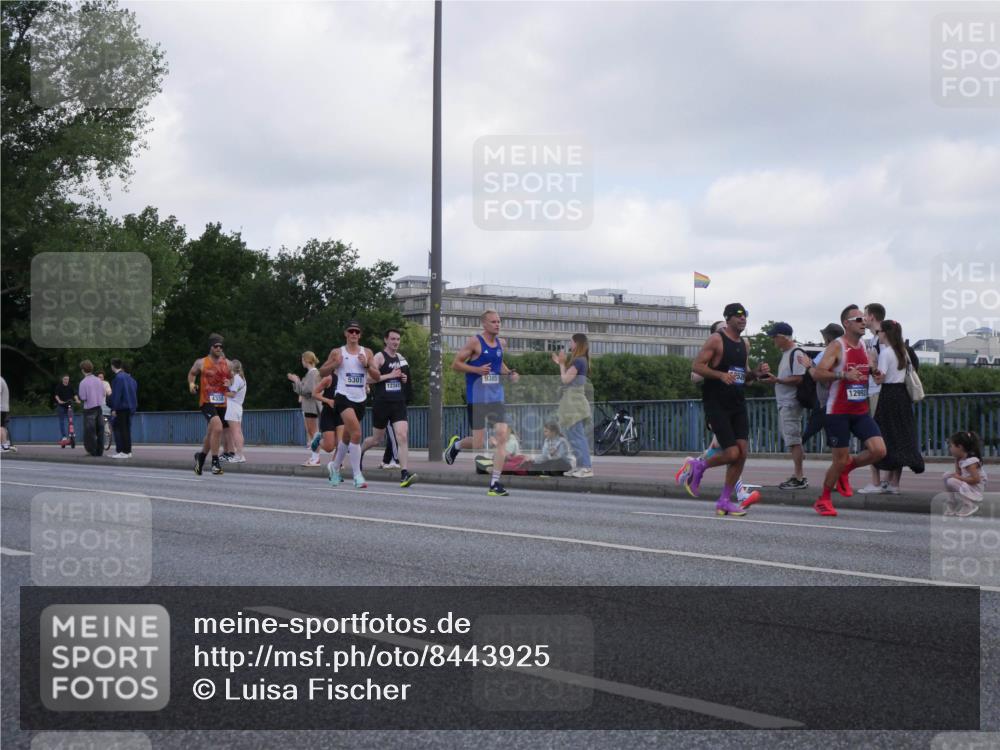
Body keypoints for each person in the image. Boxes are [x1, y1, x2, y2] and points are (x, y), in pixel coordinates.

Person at [683, 303, 772, 516]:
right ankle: (699, 466)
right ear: (728, 318)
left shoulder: (745, 344)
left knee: (742, 454)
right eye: (738, 315)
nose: (743, 319)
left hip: (737, 403)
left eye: (745, 315)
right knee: (731, 453)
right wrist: (720, 375)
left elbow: (744, 375)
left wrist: (757, 374)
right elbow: (697, 366)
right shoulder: (716, 339)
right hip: (717, 403)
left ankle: (724, 501)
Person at [809, 305, 888, 516]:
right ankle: (823, 499)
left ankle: (847, 469)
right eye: (858, 319)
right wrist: (842, 376)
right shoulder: (837, 346)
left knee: (879, 450)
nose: (864, 322)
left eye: (864, 319)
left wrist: (874, 373)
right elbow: (817, 374)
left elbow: (864, 371)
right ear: (847, 323)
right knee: (839, 459)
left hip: (860, 409)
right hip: (838, 412)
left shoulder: (863, 345)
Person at [443, 309, 520, 497]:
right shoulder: (474, 342)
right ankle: (456, 446)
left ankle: (495, 483)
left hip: (496, 397)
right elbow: (456, 364)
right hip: (476, 397)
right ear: (484, 324)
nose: (498, 324)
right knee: (478, 443)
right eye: (493, 322)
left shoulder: (501, 343)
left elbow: (498, 365)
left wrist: (509, 373)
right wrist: (476, 370)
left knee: (501, 436)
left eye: (499, 321)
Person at [318, 320, 380, 489]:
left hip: (360, 399)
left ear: (360, 335)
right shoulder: (338, 352)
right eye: (351, 331)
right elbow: (321, 371)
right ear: (346, 333)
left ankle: (334, 466)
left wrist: (366, 364)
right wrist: (334, 364)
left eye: (357, 332)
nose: (354, 334)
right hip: (343, 397)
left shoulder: (366, 352)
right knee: (357, 434)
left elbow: (377, 375)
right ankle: (357, 475)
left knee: (346, 437)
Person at [871, 320, 925, 492]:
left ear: (885, 333)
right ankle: (895, 484)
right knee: (900, 436)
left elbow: (880, 378)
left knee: (885, 434)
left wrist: (872, 364)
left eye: (879, 331)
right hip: (902, 396)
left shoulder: (886, 353)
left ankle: (880, 482)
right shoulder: (903, 351)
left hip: (888, 395)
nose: (877, 334)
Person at [360, 328, 417, 488]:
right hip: (382, 403)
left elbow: (403, 379)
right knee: (376, 439)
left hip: (398, 402)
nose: (396, 342)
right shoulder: (379, 357)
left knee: (402, 436)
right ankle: (360, 451)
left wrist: (403, 378)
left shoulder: (400, 358)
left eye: (398, 339)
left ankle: (404, 473)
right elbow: (369, 379)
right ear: (386, 340)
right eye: (392, 339)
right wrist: (389, 376)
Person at [766, 322, 808, 490]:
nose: (773, 340)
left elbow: (799, 378)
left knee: (794, 440)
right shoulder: (787, 354)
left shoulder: (796, 353)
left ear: (783, 337)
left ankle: (799, 477)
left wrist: (778, 380)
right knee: (792, 440)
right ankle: (798, 475)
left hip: (791, 402)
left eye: (774, 337)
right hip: (786, 402)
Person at [188, 333, 232, 476]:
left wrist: (229, 383)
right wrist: (192, 384)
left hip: (221, 402)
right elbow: (192, 373)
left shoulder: (228, 363)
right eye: (216, 346)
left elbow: (233, 380)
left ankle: (200, 458)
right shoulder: (201, 362)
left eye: (221, 346)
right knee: (218, 428)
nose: (219, 348)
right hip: (206, 400)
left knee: (211, 432)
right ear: (211, 347)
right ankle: (215, 462)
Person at [553, 333, 593, 478]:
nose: (570, 344)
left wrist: (562, 363)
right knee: (573, 436)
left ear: (577, 343)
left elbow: (565, 379)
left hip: (575, 404)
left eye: (571, 342)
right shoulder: (581, 360)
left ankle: (586, 467)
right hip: (573, 403)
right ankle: (580, 466)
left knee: (577, 436)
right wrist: (561, 363)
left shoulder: (579, 361)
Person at [797, 323, 845, 446]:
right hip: (840, 396)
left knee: (817, 423)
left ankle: (799, 444)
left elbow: (817, 373)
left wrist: (808, 365)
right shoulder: (846, 351)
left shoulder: (826, 353)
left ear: (828, 338)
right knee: (832, 426)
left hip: (826, 395)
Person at [860, 302, 888, 493]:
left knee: (874, 436)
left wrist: (869, 366)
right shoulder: (881, 338)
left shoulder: (879, 339)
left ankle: (876, 481)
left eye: (864, 314)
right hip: (878, 392)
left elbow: (881, 370)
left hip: (876, 392)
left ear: (871, 317)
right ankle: (886, 480)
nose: (862, 318)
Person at [289, 352, 322, 467]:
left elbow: (307, 390)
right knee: (313, 432)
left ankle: (315, 458)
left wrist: (296, 381)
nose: (301, 362)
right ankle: (314, 457)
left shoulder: (313, 373)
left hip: (311, 406)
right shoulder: (312, 373)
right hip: (311, 405)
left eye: (302, 359)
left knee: (313, 432)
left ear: (307, 360)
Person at [943, 431, 988, 517]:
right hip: (968, 487)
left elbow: (976, 480)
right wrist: (956, 461)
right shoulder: (961, 459)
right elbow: (958, 474)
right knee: (947, 476)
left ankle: (969, 505)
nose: (950, 449)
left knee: (952, 481)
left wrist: (959, 478)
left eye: (951, 446)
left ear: (959, 447)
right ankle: (952, 504)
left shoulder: (971, 462)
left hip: (975, 491)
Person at [311, 372, 343, 472]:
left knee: (341, 444)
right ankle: (319, 440)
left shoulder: (347, 376)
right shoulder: (329, 378)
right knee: (329, 447)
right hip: (328, 413)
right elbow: (314, 393)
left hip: (342, 413)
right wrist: (328, 401)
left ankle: (335, 465)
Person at [108, 359, 138, 459]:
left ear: (113, 366)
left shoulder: (118, 378)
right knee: (127, 430)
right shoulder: (130, 378)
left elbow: (117, 395)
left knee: (122, 430)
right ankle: (128, 451)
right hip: (130, 407)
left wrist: (114, 409)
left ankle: (123, 452)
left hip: (121, 407)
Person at [77, 360, 106, 457]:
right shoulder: (99, 380)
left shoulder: (83, 382)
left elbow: (83, 397)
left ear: (82, 370)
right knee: (100, 430)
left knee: (90, 432)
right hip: (99, 407)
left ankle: (92, 451)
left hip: (89, 409)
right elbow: (103, 394)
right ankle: (100, 451)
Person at [224, 360, 247, 463]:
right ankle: (240, 455)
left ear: (232, 368)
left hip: (233, 407)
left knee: (235, 432)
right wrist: (229, 384)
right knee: (238, 432)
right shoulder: (241, 378)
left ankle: (239, 456)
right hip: (238, 407)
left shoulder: (237, 378)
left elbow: (232, 395)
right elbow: (235, 391)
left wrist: (221, 392)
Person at [54, 374, 75, 445]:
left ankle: (71, 434)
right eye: (65, 379)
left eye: (67, 379)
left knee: (71, 421)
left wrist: (77, 399)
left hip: (69, 405)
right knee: (62, 421)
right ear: (62, 379)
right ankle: (64, 436)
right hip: (61, 406)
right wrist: (59, 400)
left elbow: (74, 394)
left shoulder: (70, 386)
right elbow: (56, 395)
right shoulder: (59, 386)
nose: (66, 380)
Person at [0, 375, 14, 453]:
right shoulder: (2, 380)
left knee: (1, 427)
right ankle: (4, 445)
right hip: (4, 408)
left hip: (1, 407)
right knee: (2, 426)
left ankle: (2, 445)